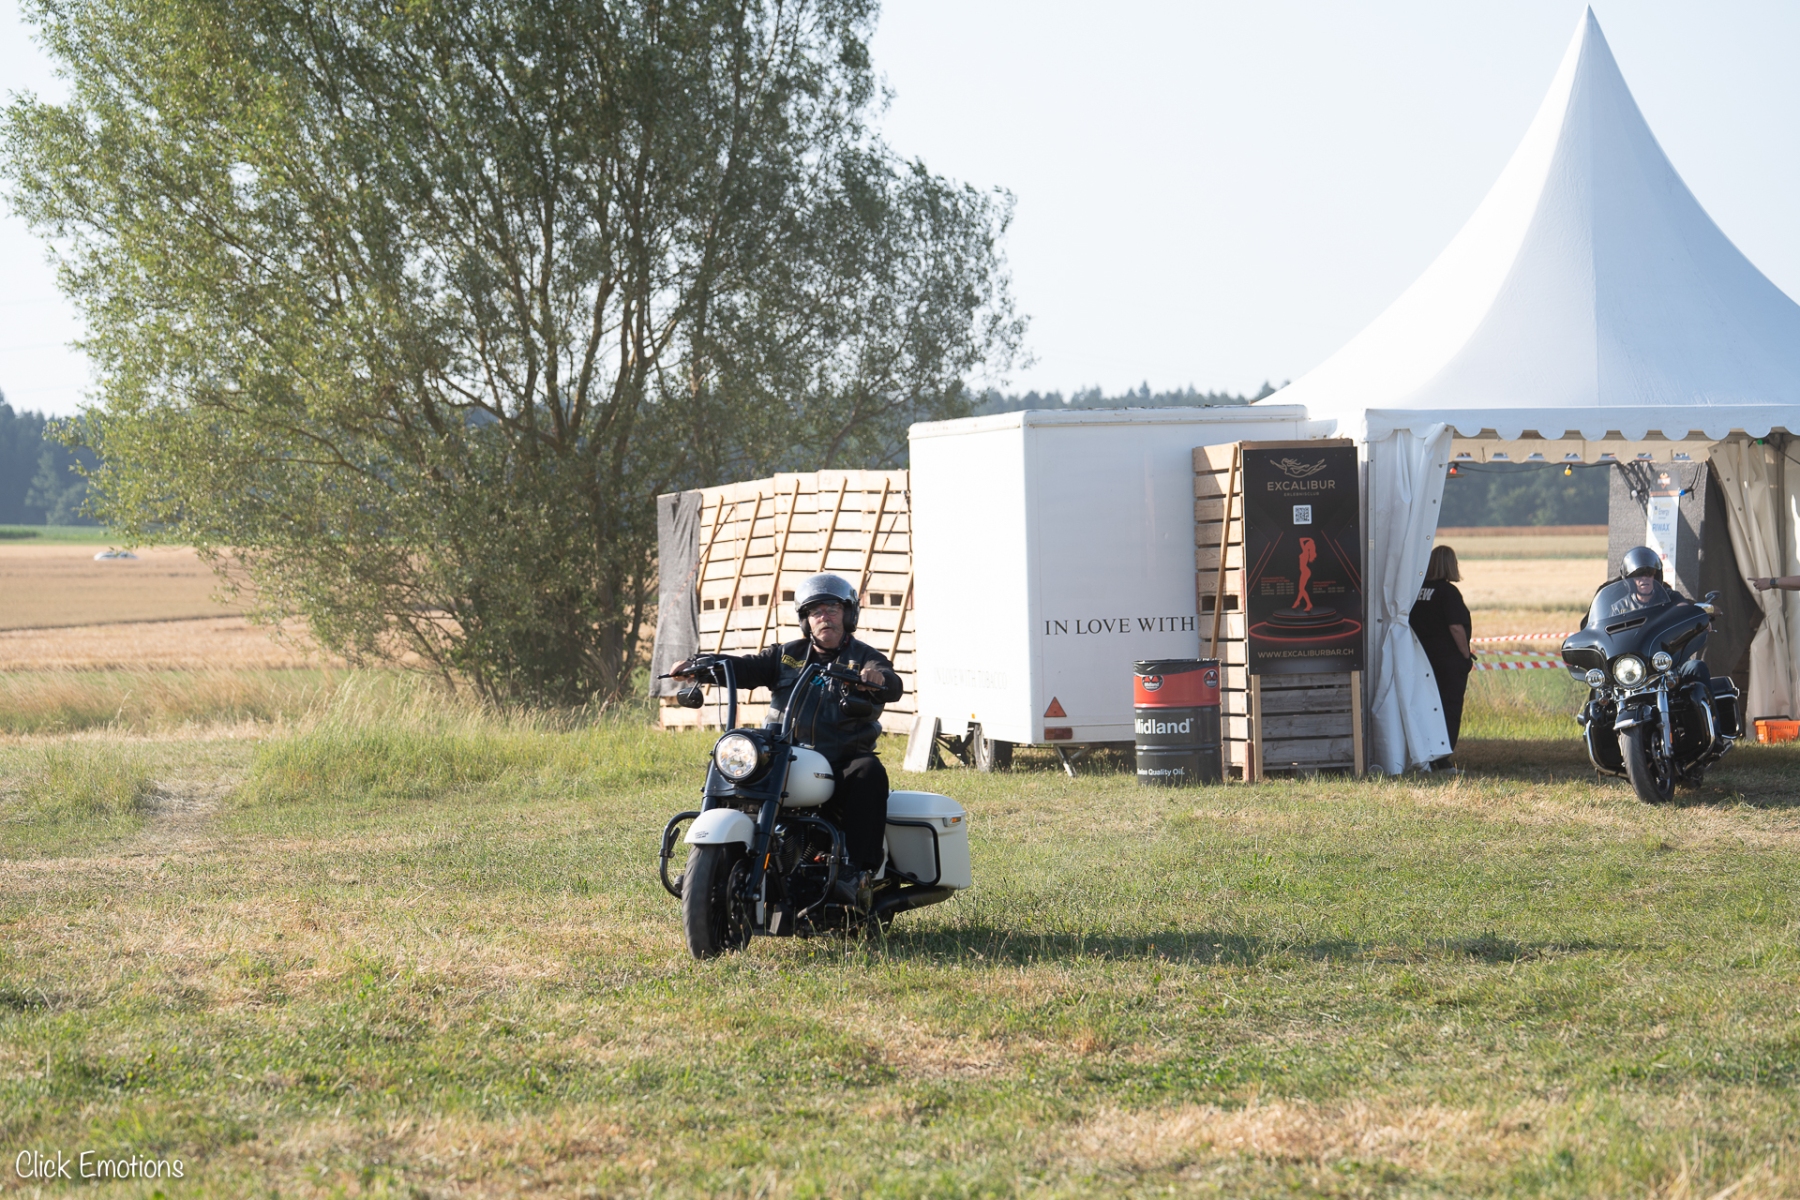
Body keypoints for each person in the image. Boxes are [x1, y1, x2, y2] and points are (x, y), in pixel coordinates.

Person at [672, 572, 903, 909]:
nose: (824, 617)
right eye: (816, 611)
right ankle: (710, 864)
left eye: (832, 609)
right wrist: (701, 665)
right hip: (783, 754)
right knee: (736, 765)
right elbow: (746, 668)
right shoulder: (786, 655)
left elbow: (892, 684)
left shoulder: (865, 657)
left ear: (848, 614)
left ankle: (855, 872)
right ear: (806, 620)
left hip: (839, 760)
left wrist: (877, 678)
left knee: (868, 772)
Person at [1410, 544, 1473, 768]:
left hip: (1421, 659)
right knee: (1449, 708)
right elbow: (1455, 627)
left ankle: (1424, 753)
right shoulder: (1448, 593)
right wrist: (1465, 655)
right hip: (1447, 661)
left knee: (1425, 708)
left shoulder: (1416, 592)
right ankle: (1442, 758)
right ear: (1450, 566)